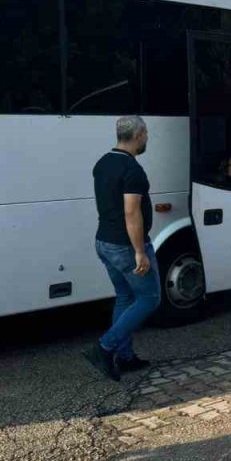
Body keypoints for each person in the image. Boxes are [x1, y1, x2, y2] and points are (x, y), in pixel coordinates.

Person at [85, 116, 161, 382]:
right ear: (139, 134)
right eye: (146, 134)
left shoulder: (102, 163)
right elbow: (132, 213)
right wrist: (139, 251)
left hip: (104, 242)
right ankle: (105, 347)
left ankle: (125, 356)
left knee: (126, 297)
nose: (147, 138)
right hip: (125, 246)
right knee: (150, 298)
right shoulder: (132, 170)